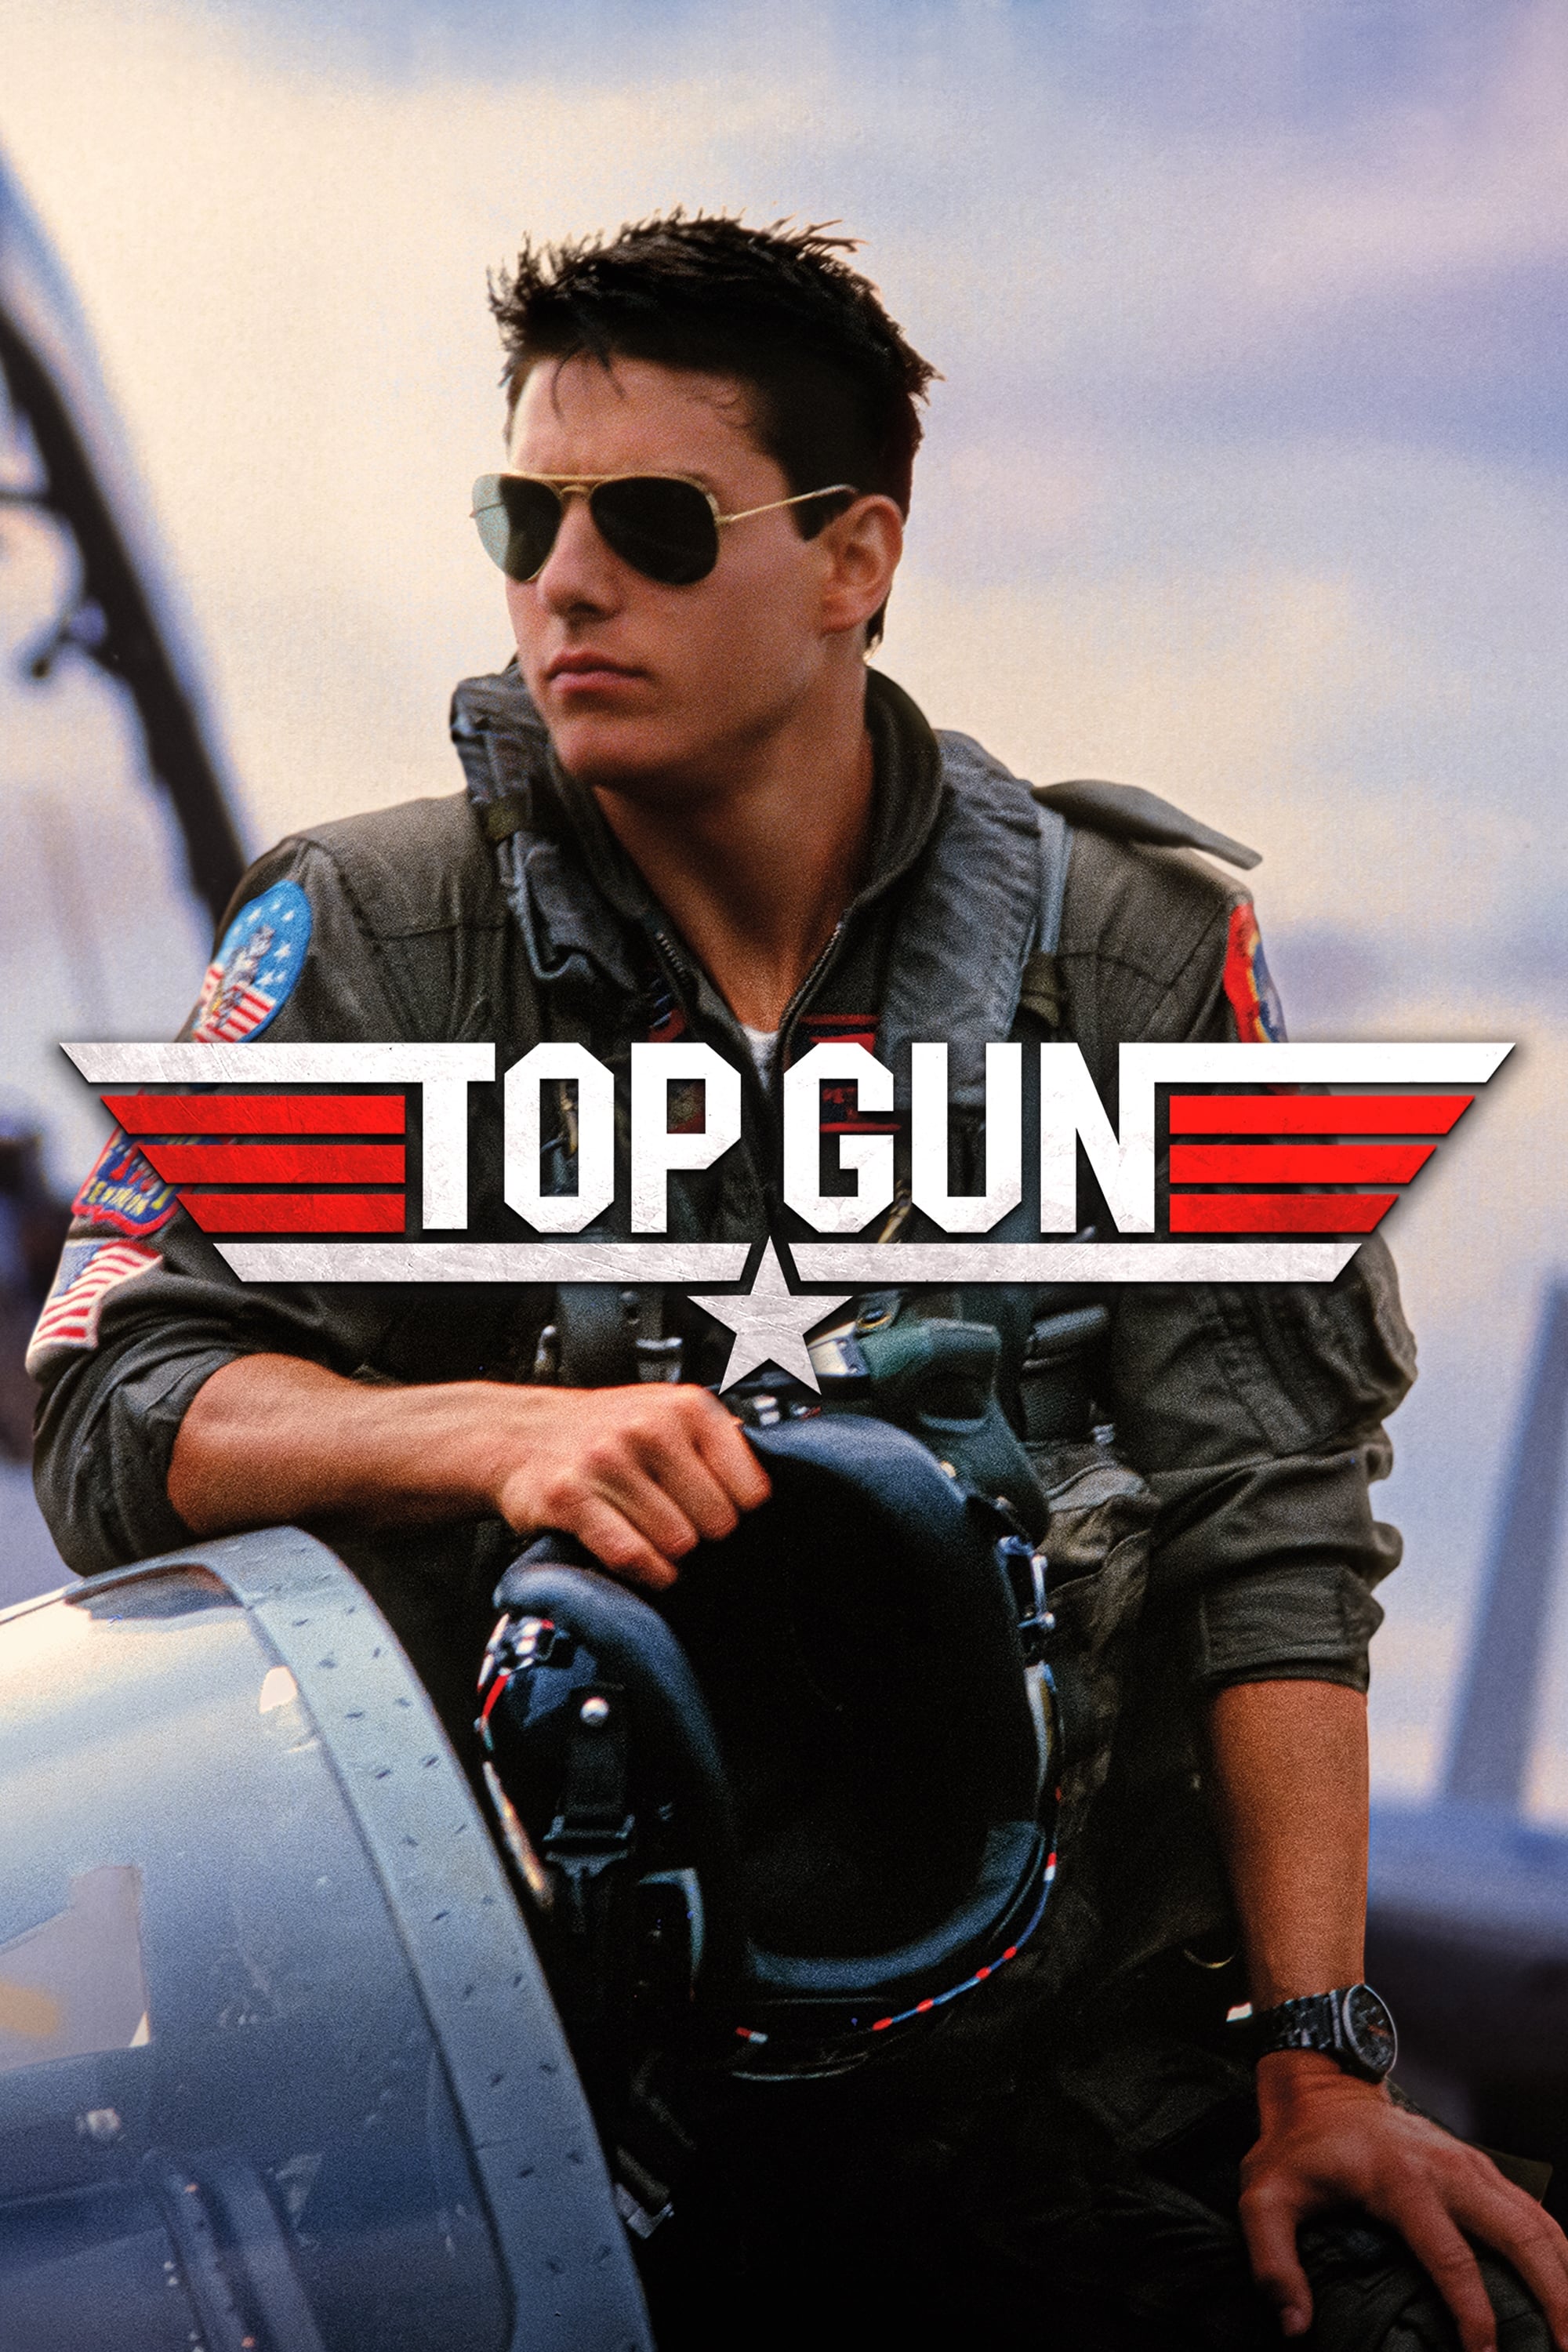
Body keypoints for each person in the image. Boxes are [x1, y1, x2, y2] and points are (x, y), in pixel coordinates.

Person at [29, 216, 1568, 2351]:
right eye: (525, 521)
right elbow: (113, 1407)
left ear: (856, 560)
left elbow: (1270, 1521)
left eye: (653, 526)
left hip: (1048, 2115)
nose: (567, 584)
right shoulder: (373, 940)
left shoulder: (1129, 955)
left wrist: (1321, 2067)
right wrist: (495, 1438)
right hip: (503, 2120)